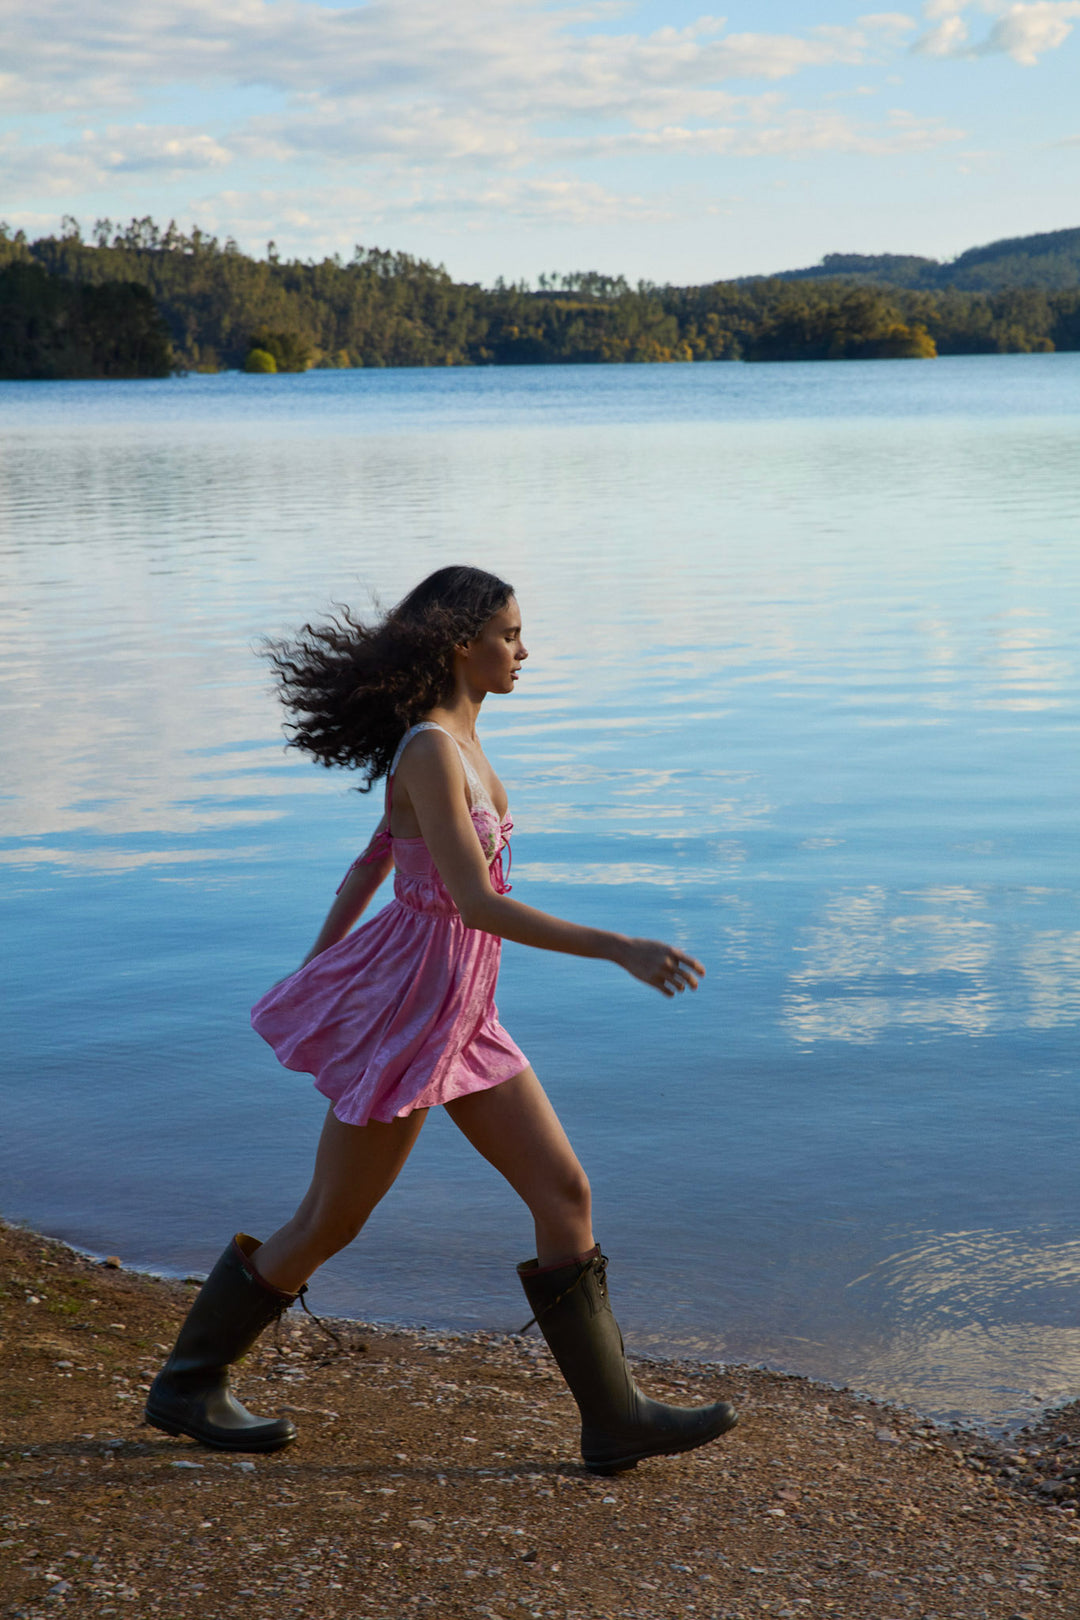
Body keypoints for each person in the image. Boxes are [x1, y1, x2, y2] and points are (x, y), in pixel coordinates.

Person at [145, 566, 737, 1475]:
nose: (524, 651)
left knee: (563, 1193)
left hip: (466, 1014)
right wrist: (617, 944)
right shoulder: (429, 747)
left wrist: (319, 964)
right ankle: (189, 1381)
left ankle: (614, 1418)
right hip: (413, 1019)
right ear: (463, 642)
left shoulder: (462, 742)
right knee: (331, 1221)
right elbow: (473, 902)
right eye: (510, 634)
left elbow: (369, 864)